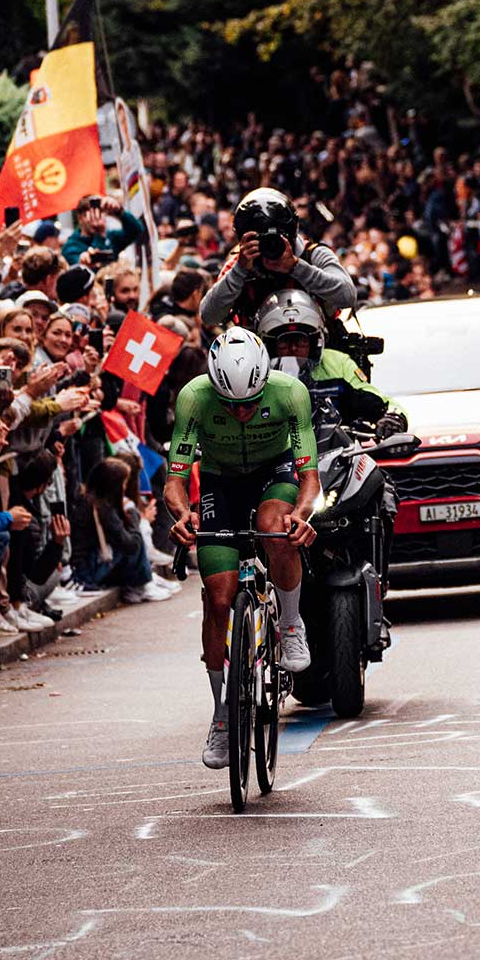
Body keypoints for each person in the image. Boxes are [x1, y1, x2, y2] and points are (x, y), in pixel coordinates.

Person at [162, 328, 321, 769]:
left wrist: (302, 515)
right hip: (220, 481)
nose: (244, 412)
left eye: (251, 401)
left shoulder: (290, 393)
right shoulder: (194, 398)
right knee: (218, 598)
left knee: (276, 527)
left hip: (276, 471)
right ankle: (221, 714)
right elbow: (175, 481)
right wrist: (182, 516)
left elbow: (309, 477)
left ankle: (289, 622)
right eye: (232, 406)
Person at [252, 288, 407, 437]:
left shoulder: (337, 362)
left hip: (336, 454)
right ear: (269, 344)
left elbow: (378, 399)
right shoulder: (255, 369)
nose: (293, 348)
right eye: (284, 341)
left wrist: (392, 418)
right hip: (275, 454)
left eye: (301, 340)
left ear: (314, 342)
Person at [199, 187, 355, 333]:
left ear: (292, 233)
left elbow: (348, 296)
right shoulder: (240, 264)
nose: (270, 245)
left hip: (319, 350)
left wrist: (296, 267)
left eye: (276, 238)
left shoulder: (313, 255)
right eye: (260, 239)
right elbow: (209, 316)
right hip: (260, 356)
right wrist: (239, 271)